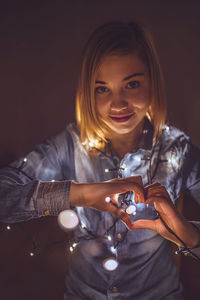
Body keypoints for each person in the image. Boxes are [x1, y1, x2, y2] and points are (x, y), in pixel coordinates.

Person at [0, 21, 200, 300]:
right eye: (102, 88)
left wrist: (188, 236)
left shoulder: (177, 150)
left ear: (152, 83)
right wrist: (80, 194)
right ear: (87, 93)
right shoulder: (69, 145)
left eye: (131, 84)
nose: (118, 104)